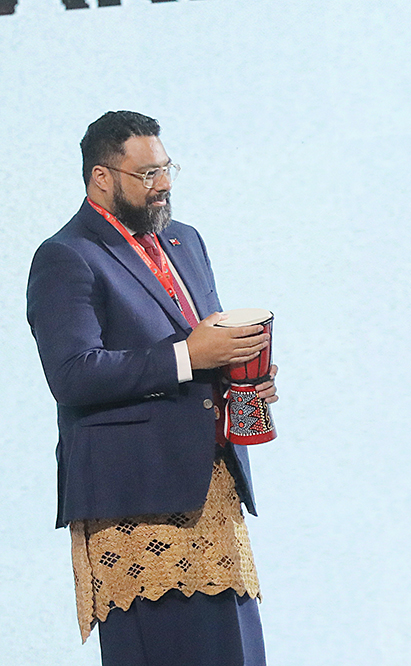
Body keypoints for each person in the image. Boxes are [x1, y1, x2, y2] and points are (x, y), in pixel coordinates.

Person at [26, 111, 277, 666]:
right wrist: (189, 357)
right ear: (102, 178)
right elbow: (72, 373)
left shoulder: (184, 240)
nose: (163, 184)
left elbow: (206, 337)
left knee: (237, 651)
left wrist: (240, 373)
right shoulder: (66, 256)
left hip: (211, 487)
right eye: (146, 174)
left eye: (167, 169)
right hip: (135, 500)